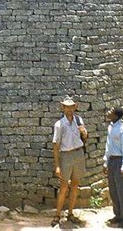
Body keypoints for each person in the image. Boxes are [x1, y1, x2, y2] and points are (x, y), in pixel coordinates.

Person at [51, 95, 88, 227]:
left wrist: (84, 132)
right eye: (67, 107)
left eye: (71, 106)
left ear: (74, 107)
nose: (69, 109)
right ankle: (58, 214)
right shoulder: (59, 124)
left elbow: (85, 136)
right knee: (64, 187)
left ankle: (70, 213)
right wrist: (57, 166)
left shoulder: (78, 120)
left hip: (78, 153)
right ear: (63, 108)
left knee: (75, 185)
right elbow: (56, 145)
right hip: (66, 155)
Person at [103, 106, 123, 228]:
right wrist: (105, 162)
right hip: (112, 161)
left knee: (121, 192)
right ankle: (118, 215)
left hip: (120, 161)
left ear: (116, 115)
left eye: (111, 111)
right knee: (113, 190)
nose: (108, 112)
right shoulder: (111, 127)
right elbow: (108, 145)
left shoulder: (122, 129)